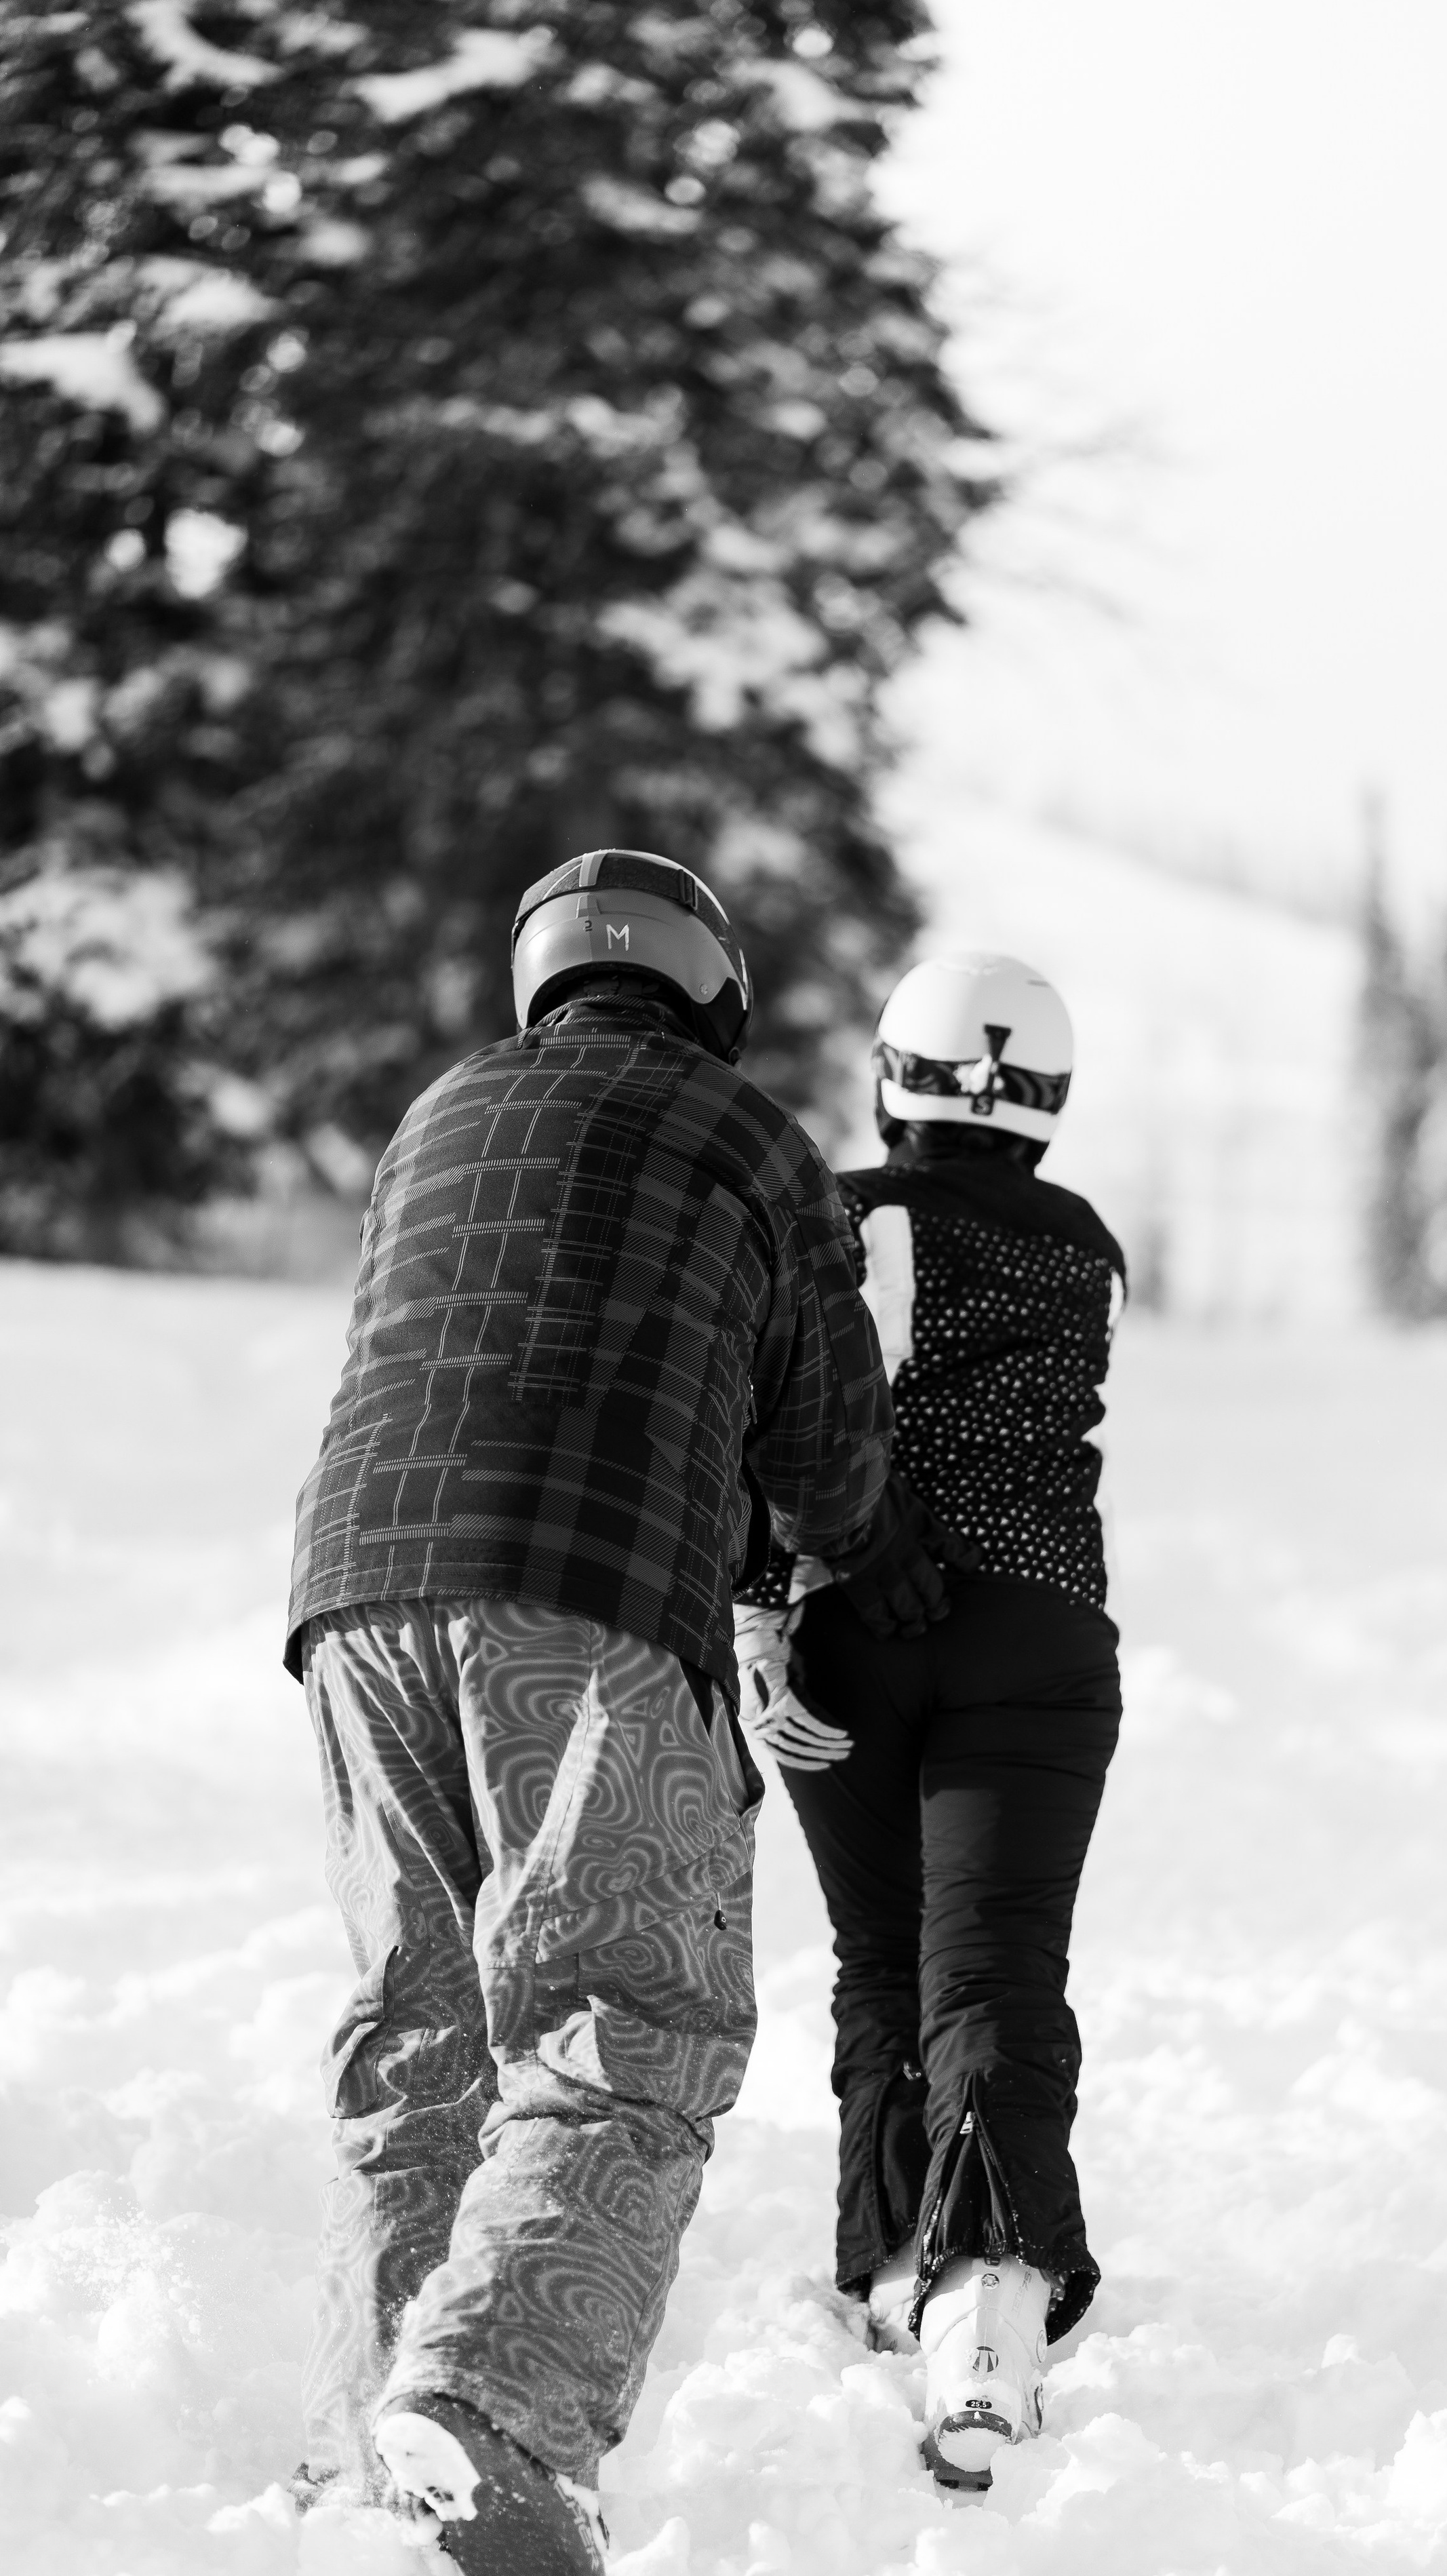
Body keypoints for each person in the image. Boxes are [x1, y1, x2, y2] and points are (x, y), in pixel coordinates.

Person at [285, 851, 957, 2573]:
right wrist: (866, 1565)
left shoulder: (440, 1110)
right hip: (582, 1598)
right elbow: (821, 1442)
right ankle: (493, 2413)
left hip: (356, 1592)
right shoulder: (747, 1138)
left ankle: (383, 2448)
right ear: (710, 993)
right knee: (623, 2020)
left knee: (418, 2031)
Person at [732, 949, 1126, 2492]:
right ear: (1045, 1100)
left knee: (881, 1963)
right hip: (1042, 1636)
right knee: (998, 1968)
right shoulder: (1090, 1250)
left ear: (895, 1076)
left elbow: (796, 1413)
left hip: (853, 1631)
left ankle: (891, 2257)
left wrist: (762, 1616)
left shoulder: (848, 1213)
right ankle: (992, 2307)